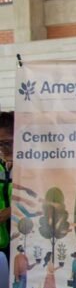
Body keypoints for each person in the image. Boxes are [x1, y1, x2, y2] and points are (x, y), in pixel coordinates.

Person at [0, 111, 13, 263]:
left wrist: (11, 211)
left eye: (7, 143)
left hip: (20, 238)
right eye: (0, 144)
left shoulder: (31, 168)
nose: (3, 148)